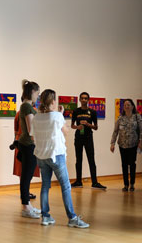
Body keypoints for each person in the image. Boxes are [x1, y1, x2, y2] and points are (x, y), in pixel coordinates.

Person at [32, 89, 90, 228]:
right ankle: (72, 217)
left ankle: (45, 216)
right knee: (65, 186)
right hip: (56, 155)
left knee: (45, 186)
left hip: (41, 156)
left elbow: (33, 135)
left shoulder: (36, 117)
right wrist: (61, 114)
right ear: (53, 101)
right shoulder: (57, 116)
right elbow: (66, 131)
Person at [71, 92, 106, 190]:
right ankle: (78, 181)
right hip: (78, 137)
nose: (84, 100)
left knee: (91, 160)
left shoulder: (93, 112)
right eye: (82, 98)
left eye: (85, 98)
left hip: (88, 138)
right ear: (79, 100)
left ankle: (94, 182)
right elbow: (72, 125)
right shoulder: (76, 111)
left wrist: (88, 124)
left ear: (88, 100)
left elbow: (96, 127)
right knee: (78, 160)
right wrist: (77, 127)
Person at [110, 99, 142, 191]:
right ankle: (125, 184)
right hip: (122, 145)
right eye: (125, 105)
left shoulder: (137, 117)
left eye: (128, 104)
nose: (127, 106)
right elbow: (115, 132)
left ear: (132, 106)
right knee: (124, 164)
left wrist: (141, 141)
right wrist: (112, 143)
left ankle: (132, 184)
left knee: (132, 164)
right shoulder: (120, 118)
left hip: (133, 144)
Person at [17, 80, 41, 218]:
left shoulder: (27, 106)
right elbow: (31, 129)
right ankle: (26, 206)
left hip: (28, 144)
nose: (37, 97)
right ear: (32, 92)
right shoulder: (26, 106)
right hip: (28, 145)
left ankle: (28, 205)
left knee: (27, 176)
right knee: (26, 176)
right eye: (37, 93)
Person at [12, 97, 39, 198]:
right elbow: (32, 130)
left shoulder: (19, 112)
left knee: (22, 170)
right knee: (27, 170)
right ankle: (25, 193)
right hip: (28, 142)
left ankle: (24, 192)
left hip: (19, 141)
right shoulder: (33, 112)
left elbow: (15, 130)